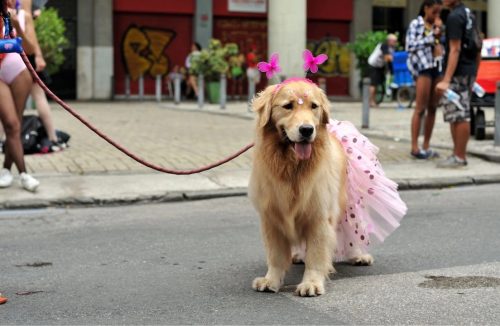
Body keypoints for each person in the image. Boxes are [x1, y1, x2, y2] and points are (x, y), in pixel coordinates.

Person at [436, 0, 482, 168]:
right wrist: (475, 71)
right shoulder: (469, 13)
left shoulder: (454, 17)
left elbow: (455, 49)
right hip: (468, 70)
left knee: (459, 114)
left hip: (457, 71)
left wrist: (446, 79)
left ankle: (459, 157)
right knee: (457, 113)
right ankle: (457, 154)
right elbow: (479, 44)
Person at [0, 0, 40, 191]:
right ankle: (24, 174)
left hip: (18, 72)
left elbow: (30, 49)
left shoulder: (21, 15)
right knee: (11, 123)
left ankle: (7, 170)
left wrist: (16, 25)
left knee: (15, 125)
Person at [406, 0, 444, 159]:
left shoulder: (438, 27)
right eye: (434, 11)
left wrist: (439, 34)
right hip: (422, 68)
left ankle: (426, 146)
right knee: (420, 108)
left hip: (437, 67)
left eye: (439, 12)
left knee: (433, 107)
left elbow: (442, 46)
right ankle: (415, 147)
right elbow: (410, 46)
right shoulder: (416, 24)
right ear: (426, 8)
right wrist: (431, 37)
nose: (436, 15)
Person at [367, 34, 397, 107]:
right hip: (373, 65)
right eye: (394, 41)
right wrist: (395, 59)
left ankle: (375, 100)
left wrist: (392, 71)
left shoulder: (392, 48)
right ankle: (371, 101)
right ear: (389, 41)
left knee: (379, 83)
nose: (395, 43)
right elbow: (387, 57)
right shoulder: (384, 45)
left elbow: (389, 61)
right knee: (373, 83)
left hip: (380, 66)